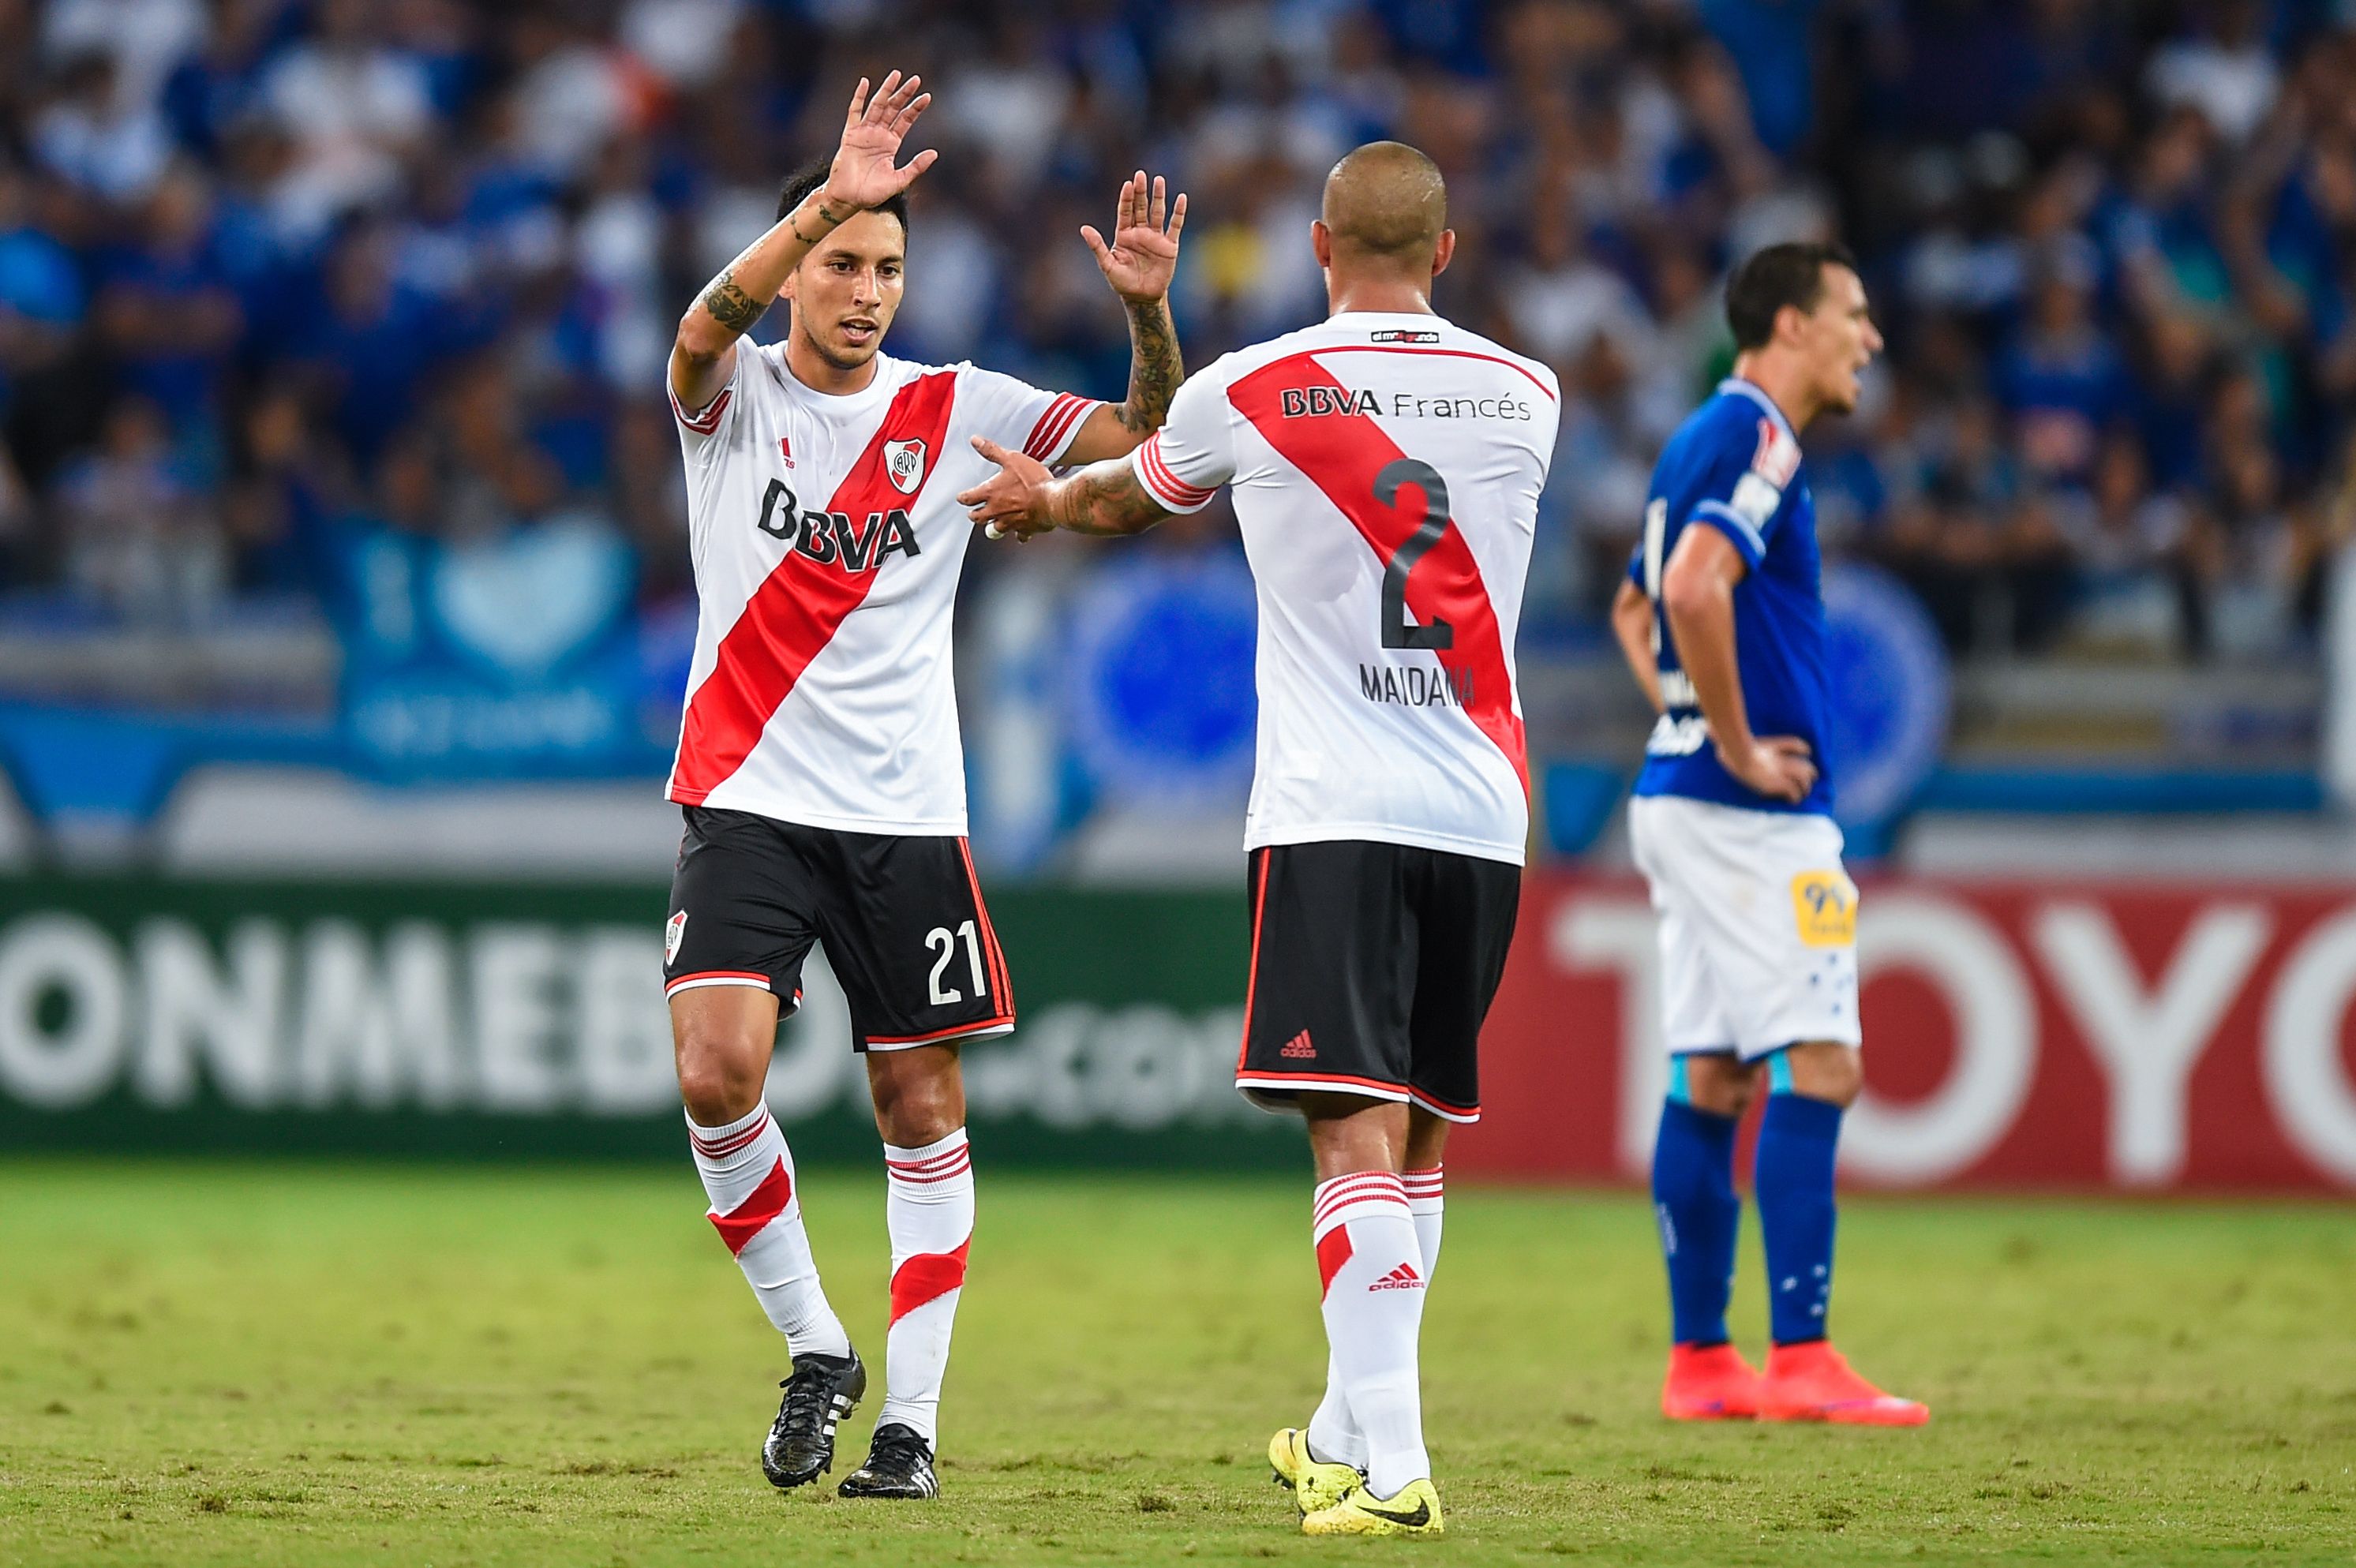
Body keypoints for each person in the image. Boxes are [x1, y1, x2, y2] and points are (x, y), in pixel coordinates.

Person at [960, 140, 1555, 1538]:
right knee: (1412, 1144)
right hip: (1479, 808)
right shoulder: (1530, 396)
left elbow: (1121, 490)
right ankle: (1345, 1433)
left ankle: (1396, 1476)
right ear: (1449, 253)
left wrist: (1042, 501)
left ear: (1314, 245)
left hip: (1332, 808)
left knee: (1347, 1140)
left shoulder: (1254, 390)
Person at [662, 71, 1186, 1500]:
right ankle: (816, 1346)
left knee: (919, 1105)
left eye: (887, 267)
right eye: (841, 259)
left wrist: (1144, 310)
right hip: (748, 792)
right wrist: (835, 188)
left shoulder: (963, 407)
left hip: (904, 814)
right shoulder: (732, 398)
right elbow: (698, 330)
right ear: (795, 266)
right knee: (716, 1074)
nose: (866, 289)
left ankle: (910, 1428)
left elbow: (1145, 439)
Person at [1605, 241, 1928, 1427]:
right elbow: (1687, 591)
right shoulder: (1760, 440)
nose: (1869, 338)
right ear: (1789, 324)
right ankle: (1799, 1356)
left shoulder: (1695, 437)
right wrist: (1737, 742)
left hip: (1678, 796)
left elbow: (1631, 604)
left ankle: (1700, 1365)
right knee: (1822, 1064)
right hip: (1748, 812)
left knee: (1714, 1072)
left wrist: (1688, 718)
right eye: (1854, 312)